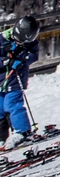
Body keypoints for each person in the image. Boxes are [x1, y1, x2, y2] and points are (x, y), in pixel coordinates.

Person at [1, 16, 40, 149]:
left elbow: (33, 55)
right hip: (1, 81)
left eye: (22, 42)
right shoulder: (2, 39)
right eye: (18, 40)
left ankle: (22, 131)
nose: (20, 43)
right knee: (0, 109)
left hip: (16, 80)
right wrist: (6, 60)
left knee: (12, 104)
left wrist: (21, 56)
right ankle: (2, 137)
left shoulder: (30, 42)